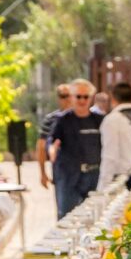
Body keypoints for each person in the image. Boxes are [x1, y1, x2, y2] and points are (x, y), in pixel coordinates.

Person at [40, 83, 103, 216]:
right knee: (67, 215)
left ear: (91, 98)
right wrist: (51, 151)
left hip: (93, 176)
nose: (82, 100)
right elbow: (51, 141)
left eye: (86, 97)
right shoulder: (62, 120)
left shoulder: (99, 120)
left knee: (93, 215)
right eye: (78, 97)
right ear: (72, 97)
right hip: (69, 177)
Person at [99, 80, 131, 186]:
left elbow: (110, 157)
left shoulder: (112, 120)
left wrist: (103, 187)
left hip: (122, 182)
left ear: (113, 98)